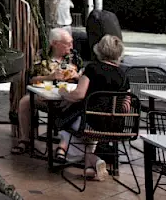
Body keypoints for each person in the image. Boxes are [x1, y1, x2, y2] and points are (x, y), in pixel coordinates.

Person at [53, 35, 130, 181]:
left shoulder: (92, 68)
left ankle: (85, 158)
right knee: (88, 133)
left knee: (66, 118)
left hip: (91, 123)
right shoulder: (123, 74)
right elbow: (126, 105)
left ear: (99, 50)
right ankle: (89, 167)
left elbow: (79, 95)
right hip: (115, 126)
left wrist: (63, 93)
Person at [11, 27, 82, 155]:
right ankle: (25, 140)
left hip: (68, 99)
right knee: (25, 102)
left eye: (71, 42)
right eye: (67, 43)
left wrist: (76, 76)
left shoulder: (74, 57)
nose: (71, 46)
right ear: (55, 43)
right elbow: (32, 79)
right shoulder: (42, 56)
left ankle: (63, 145)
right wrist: (49, 77)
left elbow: (84, 78)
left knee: (75, 106)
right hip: (45, 96)